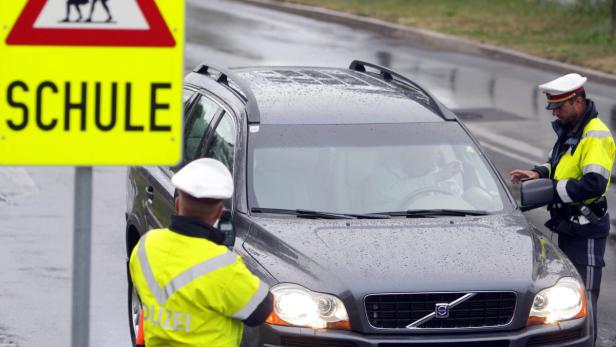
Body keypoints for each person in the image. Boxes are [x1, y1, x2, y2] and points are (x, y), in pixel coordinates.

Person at [510, 73, 614, 345]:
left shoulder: (595, 135)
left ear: (578, 101)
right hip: (567, 225)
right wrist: (537, 173)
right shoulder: (569, 131)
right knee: (565, 295)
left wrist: (551, 189)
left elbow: (594, 183)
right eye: (553, 107)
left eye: (559, 107)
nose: (555, 113)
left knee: (585, 299)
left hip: (586, 229)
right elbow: (557, 165)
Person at [129, 158, 273, 347]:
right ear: (218, 213)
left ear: (178, 204)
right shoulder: (225, 265)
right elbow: (261, 309)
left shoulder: (145, 246)